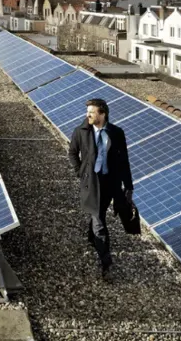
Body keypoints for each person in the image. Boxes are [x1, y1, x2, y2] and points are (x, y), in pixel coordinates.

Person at [67, 98, 134, 276]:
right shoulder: (80, 131)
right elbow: (72, 153)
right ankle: (106, 263)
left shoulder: (117, 133)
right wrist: (80, 172)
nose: (87, 114)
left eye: (92, 111)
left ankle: (91, 238)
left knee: (100, 213)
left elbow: (123, 161)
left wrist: (128, 185)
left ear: (102, 114)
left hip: (110, 183)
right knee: (99, 221)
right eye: (87, 111)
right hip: (91, 182)